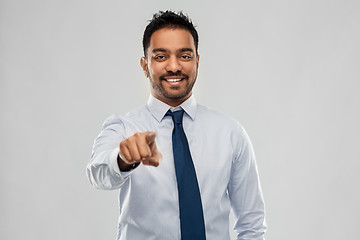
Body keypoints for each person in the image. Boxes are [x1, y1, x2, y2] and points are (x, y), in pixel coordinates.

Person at [86, 10, 267, 240]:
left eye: (185, 56)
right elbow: (97, 173)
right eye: (161, 57)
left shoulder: (230, 133)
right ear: (145, 65)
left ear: (197, 61)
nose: (174, 67)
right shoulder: (123, 127)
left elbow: (252, 224)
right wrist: (122, 159)